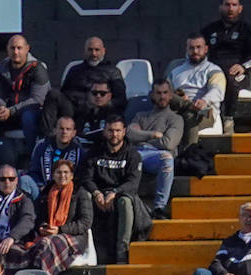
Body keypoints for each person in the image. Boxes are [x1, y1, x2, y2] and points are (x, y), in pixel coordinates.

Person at [80, 114, 144, 265]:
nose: (114, 134)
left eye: (117, 130)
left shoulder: (133, 155)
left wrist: (115, 192)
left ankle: (122, 251)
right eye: (110, 130)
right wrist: (96, 193)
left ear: (124, 132)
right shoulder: (94, 152)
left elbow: (133, 182)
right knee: (84, 194)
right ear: (104, 132)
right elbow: (86, 178)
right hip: (99, 195)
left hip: (120, 195)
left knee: (126, 201)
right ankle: (86, 246)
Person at [201, 0, 251, 126]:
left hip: (237, 72)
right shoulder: (209, 29)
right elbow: (198, 49)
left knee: (231, 79)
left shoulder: (246, 29)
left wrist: (243, 66)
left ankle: (228, 119)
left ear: (240, 8)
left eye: (234, 5)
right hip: (213, 70)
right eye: (227, 4)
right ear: (220, 7)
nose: (230, 8)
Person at [26, 159, 92, 275]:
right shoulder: (46, 193)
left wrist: (60, 230)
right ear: (53, 175)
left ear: (72, 175)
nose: (62, 175)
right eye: (58, 172)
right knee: (39, 245)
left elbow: (85, 222)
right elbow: (39, 217)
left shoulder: (80, 193)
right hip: (50, 235)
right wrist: (42, 227)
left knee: (47, 244)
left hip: (75, 238)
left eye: (66, 172)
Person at [0, 34, 48, 163]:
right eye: (12, 48)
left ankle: (31, 159)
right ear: (7, 49)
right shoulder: (1, 68)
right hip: (9, 112)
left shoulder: (38, 68)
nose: (16, 52)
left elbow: (37, 99)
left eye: (19, 48)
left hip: (31, 112)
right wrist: (0, 107)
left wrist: (11, 110)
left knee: (28, 116)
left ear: (27, 49)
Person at [128, 80, 182, 219]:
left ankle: (159, 207)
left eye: (165, 93)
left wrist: (141, 136)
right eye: (158, 93)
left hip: (158, 156)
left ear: (171, 95)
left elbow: (168, 143)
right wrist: (152, 134)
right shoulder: (140, 115)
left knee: (167, 159)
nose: (162, 96)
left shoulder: (175, 119)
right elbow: (129, 134)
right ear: (152, 95)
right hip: (137, 152)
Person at [167, 34, 226, 145]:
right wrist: (179, 97)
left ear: (206, 49)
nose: (195, 51)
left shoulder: (213, 70)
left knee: (189, 115)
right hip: (178, 109)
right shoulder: (176, 71)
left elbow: (217, 91)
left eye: (199, 47)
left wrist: (204, 100)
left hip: (203, 111)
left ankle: (189, 153)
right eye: (191, 48)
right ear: (187, 49)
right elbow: (166, 92)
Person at [60, 36, 126, 113]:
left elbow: (121, 99)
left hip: (101, 111)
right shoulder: (74, 70)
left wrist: (102, 103)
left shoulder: (113, 72)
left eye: (97, 50)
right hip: (73, 110)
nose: (93, 54)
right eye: (90, 50)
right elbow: (63, 93)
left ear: (103, 51)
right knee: (53, 95)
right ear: (84, 51)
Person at [23, 115, 84, 197]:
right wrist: (41, 185)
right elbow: (34, 172)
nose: (64, 132)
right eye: (61, 128)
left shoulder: (79, 152)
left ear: (74, 133)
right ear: (55, 130)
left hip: (68, 193)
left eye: (68, 129)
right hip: (43, 190)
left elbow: (81, 177)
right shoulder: (42, 147)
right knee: (25, 180)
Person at [75, 79, 119, 147]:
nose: (98, 96)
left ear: (109, 96)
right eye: (94, 93)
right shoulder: (82, 113)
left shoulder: (115, 115)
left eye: (102, 93)